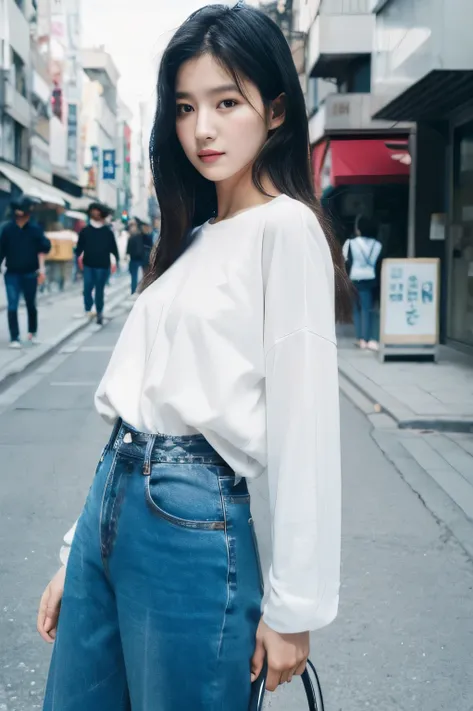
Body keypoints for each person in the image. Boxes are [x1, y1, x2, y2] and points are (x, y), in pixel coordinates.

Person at [37, 5, 353, 710]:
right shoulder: (193, 240)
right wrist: (75, 550)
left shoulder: (287, 229)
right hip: (109, 512)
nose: (201, 129)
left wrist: (293, 607)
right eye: (185, 107)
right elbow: (138, 403)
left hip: (192, 518)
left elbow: (305, 425)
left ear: (275, 111)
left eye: (226, 102)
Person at [0, 196, 50, 348]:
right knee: (12, 305)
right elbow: (1, 251)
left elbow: (43, 249)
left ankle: (32, 332)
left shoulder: (35, 230)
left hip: (30, 272)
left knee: (30, 304)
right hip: (12, 273)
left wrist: (41, 270)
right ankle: (14, 337)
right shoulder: (8, 229)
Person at [75, 203, 120, 325]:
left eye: (98, 212)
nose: (95, 214)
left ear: (102, 214)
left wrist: (116, 260)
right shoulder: (85, 231)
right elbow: (79, 248)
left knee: (99, 290)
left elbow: (113, 248)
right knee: (87, 287)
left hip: (103, 264)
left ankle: (99, 311)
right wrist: (78, 261)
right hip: (88, 264)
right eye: (93, 211)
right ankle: (88, 309)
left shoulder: (107, 232)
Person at [343, 215, 383, 351]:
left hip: (355, 278)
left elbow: (347, 263)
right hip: (371, 280)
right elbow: (379, 265)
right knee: (368, 309)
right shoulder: (378, 245)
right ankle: (369, 338)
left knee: (357, 309)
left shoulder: (351, 243)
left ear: (358, 228)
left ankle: (360, 339)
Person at [126, 217, 150, 294]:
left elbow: (148, 245)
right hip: (134, 259)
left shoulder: (142, 235)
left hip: (142, 258)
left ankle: (142, 291)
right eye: (131, 225)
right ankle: (134, 291)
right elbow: (128, 248)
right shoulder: (131, 236)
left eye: (133, 225)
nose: (132, 227)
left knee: (144, 276)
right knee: (134, 276)